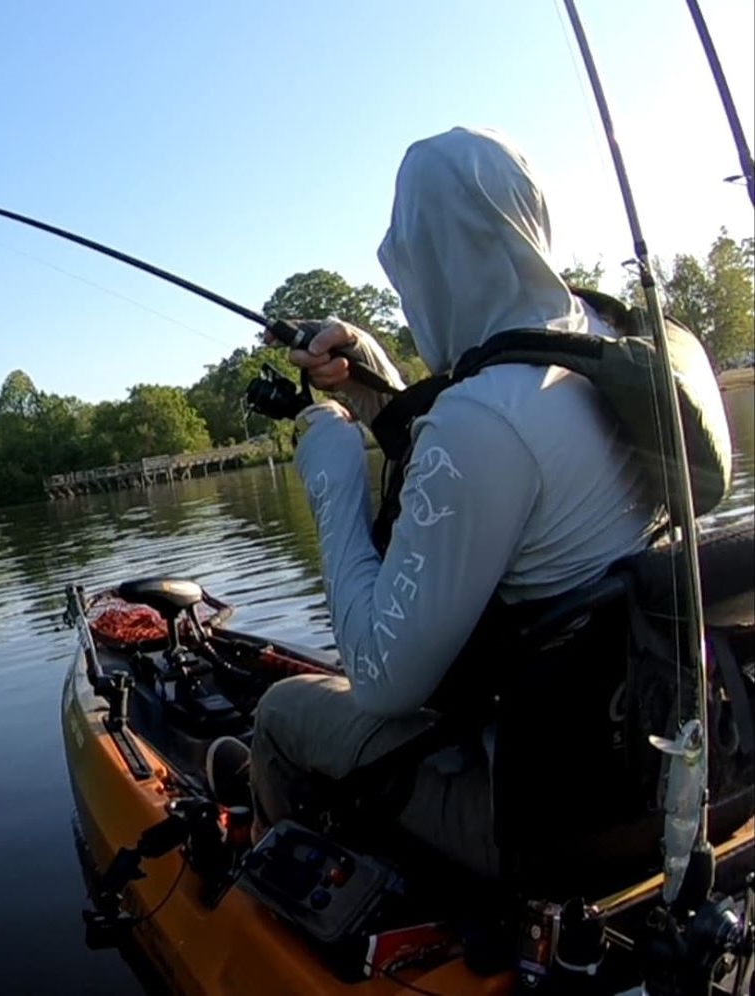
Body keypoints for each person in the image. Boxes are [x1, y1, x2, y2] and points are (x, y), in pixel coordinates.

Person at [217, 127, 663, 878]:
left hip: (543, 822)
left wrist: (331, 477)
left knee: (283, 713)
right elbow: (485, 455)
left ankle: (278, 904)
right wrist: (374, 381)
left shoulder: (484, 421)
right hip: (662, 772)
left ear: (430, 262)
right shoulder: (615, 348)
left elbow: (382, 679)